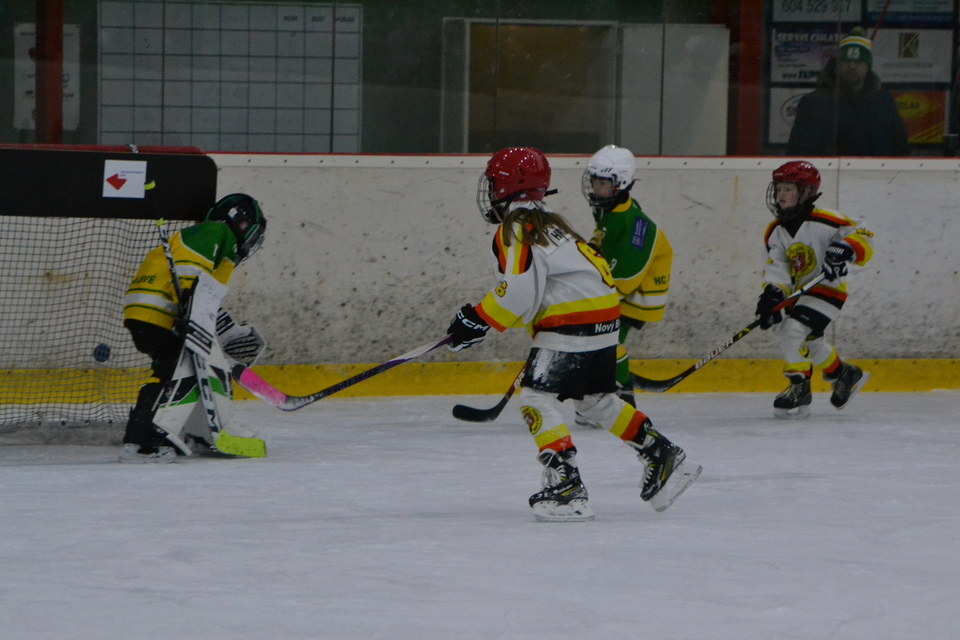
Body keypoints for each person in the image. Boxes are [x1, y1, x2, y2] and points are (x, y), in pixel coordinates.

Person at [446, 147, 700, 521]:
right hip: (605, 318)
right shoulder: (550, 221)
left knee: (535, 399)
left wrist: (476, 318)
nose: (490, 190)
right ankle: (660, 452)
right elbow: (533, 295)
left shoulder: (516, 226)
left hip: (573, 322)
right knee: (595, 401)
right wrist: (480, 321)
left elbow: (518, 294)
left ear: (507, 187)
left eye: (494, 182)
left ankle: (566, 486)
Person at [120, 193, 267, 462]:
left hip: (145, 311)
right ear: (242, 224)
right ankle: (147, 439)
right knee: (185, 369)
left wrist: (227, 331)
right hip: (160, 309)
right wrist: (190, 304)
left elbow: (205, 294)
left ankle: (159, 434)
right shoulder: (217, 231)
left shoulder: (215, 244)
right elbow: (192, 274)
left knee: (169, 371)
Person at [756, 160, 873, 419]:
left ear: (807, 192)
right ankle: (845, 374)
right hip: (800, 295)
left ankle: (799, 386)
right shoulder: (775, 231)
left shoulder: (827, 220)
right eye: (779, 189)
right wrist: (773, 295)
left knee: (792, 329)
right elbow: (778, 268)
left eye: (788, 189)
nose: (780, 195)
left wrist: (845, 249)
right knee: (811, 343)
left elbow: (863, 233)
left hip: (828, 291)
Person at [580, 144, 673, 413]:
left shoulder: (635, 226)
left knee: (607, 339)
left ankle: (622, 394)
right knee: (596, 337)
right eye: (594, 181)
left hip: (639, 292)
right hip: (621, 281)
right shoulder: (608, 206)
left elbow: (627, 276)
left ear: (620, 183)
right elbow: (603, 236)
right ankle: (606, 390)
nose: (595, 188)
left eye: (603, 183)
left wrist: (591, 296)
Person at [786, 27, 908, 157]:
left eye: (858, 61)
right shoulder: (815, 103)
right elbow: (799, 150)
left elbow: (899, 147)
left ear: (868, 66)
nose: (852, 66)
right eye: (846, 61)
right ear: (837, 65)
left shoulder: (883, 102)